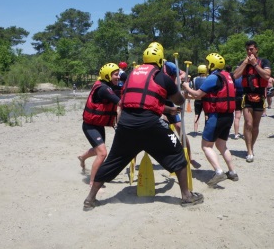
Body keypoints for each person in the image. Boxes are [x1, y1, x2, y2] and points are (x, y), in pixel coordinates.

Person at [83, 46, 204, 210]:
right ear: (160, 61)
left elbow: (140, 102)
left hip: (126, 125)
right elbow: (180, 102)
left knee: (112, 161)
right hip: (150, 125)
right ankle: (187, 196)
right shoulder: (162, 76)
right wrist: (181, 87)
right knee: (177, 152)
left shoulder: (131, 75)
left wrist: (166, 107)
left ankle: (90, 199)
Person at [182, 53, 238, 186]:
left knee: (206, 146)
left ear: (212, 65)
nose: (207, 66)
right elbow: (204, 97)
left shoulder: (213, 77)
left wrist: (186, 87)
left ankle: (219, 172)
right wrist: (188, 97)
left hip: (216, 116)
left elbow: (198, 93)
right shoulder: (227, 76)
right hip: (228, 116)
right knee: (221, 145)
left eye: (208, 63)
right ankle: (232, 172)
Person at [150, 43, 200, 169]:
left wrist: (177, 81)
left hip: (168, 99)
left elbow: (183, 74)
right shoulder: (148, 67)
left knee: (179, 127)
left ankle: (189, 157)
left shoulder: (169, 65)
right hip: (154, 100)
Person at [78, 63, 121, 187]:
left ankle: (82, 157)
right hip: (90, 126)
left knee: (98, 150)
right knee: (102, 153)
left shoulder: (107, 85)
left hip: (98, 125)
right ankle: (93, 182)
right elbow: (120, 103)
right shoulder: (103, 89)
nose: (118, 77)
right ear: (107, 75)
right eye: (115, 74)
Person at [233, 40, 271, 163]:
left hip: (260, 97)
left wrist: (255, 64)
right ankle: (249, 151)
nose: (249, 52)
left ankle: (251, 147)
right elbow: (235, 76)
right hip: (246, 96)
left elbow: (266, 76)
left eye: (251, 49)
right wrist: (245, 63)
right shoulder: (243, 62)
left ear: (256, 50)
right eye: (247, 50)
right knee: (248, 123)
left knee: (255, 125)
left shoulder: (264, 62)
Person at [192, 65, 207, 134]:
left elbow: (194, 89)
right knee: (206, 115)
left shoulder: (195, 79)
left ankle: (195, 131)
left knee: (196, 115)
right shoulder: (208, 79)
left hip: (197, 99)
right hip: (205, 99)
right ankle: (206, 130)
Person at [233, 74, 244, 139]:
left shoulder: (234, 78)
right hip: (244, 98)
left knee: (237, 117)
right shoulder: (245, 77)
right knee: (246, 118)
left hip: (236, 97)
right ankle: (245, 134)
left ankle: (236, 134)